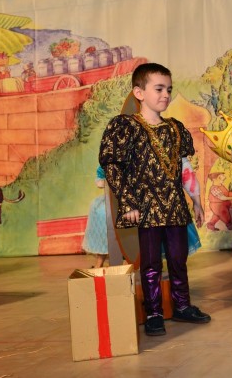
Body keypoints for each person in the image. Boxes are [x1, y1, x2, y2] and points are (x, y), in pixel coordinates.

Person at [99, 62, 209, 337]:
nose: (165, 95)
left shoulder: (175, 128)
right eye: (158, 89)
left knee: (178, 259)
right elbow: (113, 166)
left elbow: (184, 167)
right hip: (147, 208)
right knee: (150, 265)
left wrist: (196, 199)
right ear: (139, 92)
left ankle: (182, 305)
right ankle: (154, 313)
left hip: (175, 206)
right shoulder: (126, 127)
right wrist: (128, 203)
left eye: (169, 89)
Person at [82, 166, 109, 268]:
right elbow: (99, 180)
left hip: (126, 200)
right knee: (100, 211)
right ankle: (99, 261)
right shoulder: (105, 163)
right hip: (109, 198)